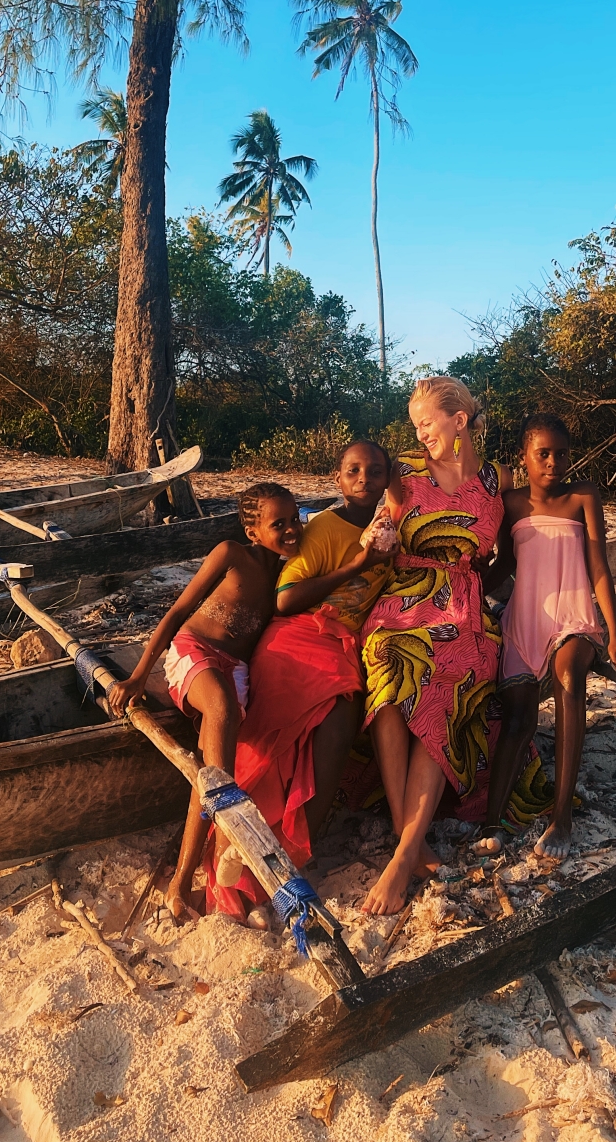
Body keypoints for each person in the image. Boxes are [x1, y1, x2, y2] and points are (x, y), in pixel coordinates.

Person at [358, 377, 555, 915]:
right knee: (391, 664)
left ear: (459, 422)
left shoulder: (499, 481)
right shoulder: (403, 473)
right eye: (415, 424)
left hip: (465, 609)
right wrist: (377, 539)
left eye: (426, 421)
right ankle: (410, 839)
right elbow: (376, 529)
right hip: (404, 599)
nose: (419, 433)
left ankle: (400, 860)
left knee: (447, 679)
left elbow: (536, 530)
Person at [204, 442, 398, 920]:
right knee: (270, 751)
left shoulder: (391, 532)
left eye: (376, 471)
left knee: (336, 732)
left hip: (341, 647)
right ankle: (243, 853)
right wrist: (357, 563)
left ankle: (287, 857)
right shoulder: (324, 527)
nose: (364, 479)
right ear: (337, 478)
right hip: (296, 638)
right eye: (353, 470)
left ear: (389, 479)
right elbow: (287, 599)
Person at [113, 483, 302, 919]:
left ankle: (180, 884)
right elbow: (178, 612)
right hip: (193, 650)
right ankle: (228, 822)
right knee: (220, 710)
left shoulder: (291, 574)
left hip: (232, 666)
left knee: (209, 762)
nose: (292, 530)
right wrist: (140, 675)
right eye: (279, 524)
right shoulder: (233, 554)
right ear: (253, 532)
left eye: (296, 520)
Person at [489, 414, 616, 857]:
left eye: (562, 453)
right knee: (519, 717)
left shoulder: (584, 495)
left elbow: (598, 564)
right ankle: (494, 822)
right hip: (523, 621)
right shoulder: (511, 503)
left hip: (574, 618)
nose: (553, 462)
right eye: (543, 453)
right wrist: (464, 589)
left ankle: (562, 818)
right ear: (524, 457)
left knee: (568, 683)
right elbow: (504, 564)